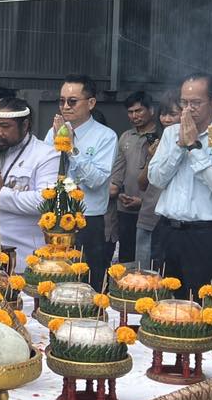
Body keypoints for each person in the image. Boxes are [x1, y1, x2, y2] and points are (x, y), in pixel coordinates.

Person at [147, 74, 212, 296]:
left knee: (199, 301)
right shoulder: (170, 134)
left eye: (196, 103)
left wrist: (194, 147)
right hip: (166, 230)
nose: (188, 109)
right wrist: (179, 146)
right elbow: (155, 179)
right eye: (184, 102)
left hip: (202, 234)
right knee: (160, 299)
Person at [43, 75, 116, 287]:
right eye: (62, 101)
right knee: (54, 279)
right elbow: (46, 172)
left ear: (91, 103)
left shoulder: (105, 136)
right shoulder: (53, 132)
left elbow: (97, 180)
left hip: (87, 221)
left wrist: (71, 148)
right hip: (55, 217)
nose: (65, 106)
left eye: (72, 101)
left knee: (86, 284)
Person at [0, 98, 61, 257]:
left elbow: (45, 202)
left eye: (5, 126)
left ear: (24, 125)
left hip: (23, 252)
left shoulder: (46, 155)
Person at [111, 92, 157, 264]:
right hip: (125, 208)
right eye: (130, 112)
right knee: (126, 258)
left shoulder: (161, 135)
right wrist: (117, 192)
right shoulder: (126, 136)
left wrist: (143, 201)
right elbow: (118, 171)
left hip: (152, 210)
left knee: (149, 260)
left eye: (139, 111)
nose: (134, 116)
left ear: (151, 110)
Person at [135, 94, 179, 270]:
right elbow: (141, 183)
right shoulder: (155, 141)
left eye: (172, 114)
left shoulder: (190, 144)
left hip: (172, 219)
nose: (166, 119)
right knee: (143, 273)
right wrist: (152, 158)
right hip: (149, 213)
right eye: (163, 114)